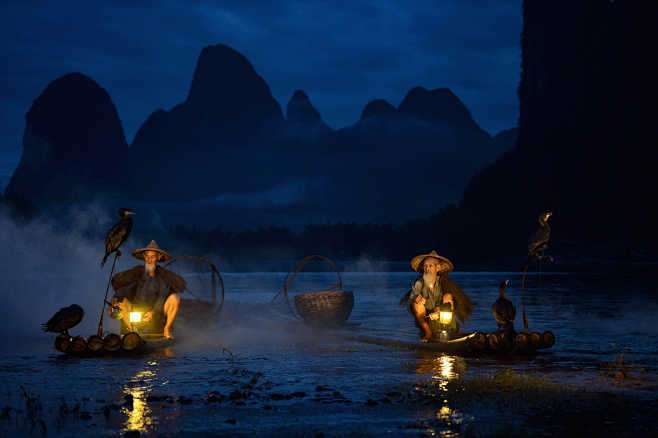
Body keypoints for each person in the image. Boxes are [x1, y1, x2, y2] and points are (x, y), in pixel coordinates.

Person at [109, 240, 185, 339]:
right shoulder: (137, 272)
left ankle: (166, 329)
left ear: (158, 258)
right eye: (147, 257)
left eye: (152, 257)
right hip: (136, 310)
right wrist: (114, 301)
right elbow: (123, 289)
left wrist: (153, 312)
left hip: (156, 311)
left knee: (175, 298)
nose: (149, 260)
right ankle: (132, 333)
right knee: (122, 302)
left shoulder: (163, 276)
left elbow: (162, 297)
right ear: (144, 258)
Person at [408, 250, 473, 342]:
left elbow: (451, 303)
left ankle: (447, 333)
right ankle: (428, 333)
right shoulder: (419, 283)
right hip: (427, 320)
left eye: (431, 266)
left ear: (437, 268)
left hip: (445, 319)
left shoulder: (444, 282)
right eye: (425, 266)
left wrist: (438, 312)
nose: (427, 269)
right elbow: (412, 296)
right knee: (416, 304)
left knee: (447, 296)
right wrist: (416, 298)